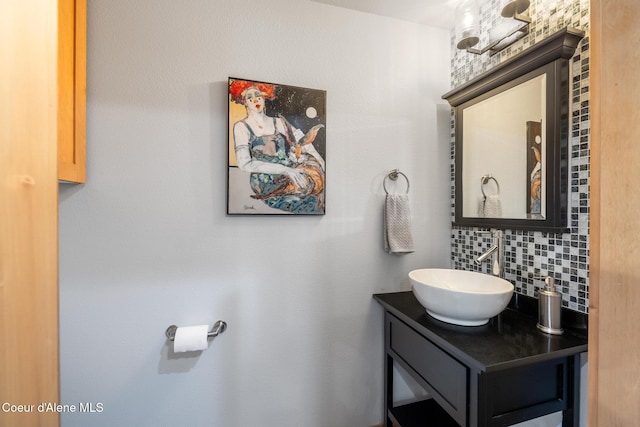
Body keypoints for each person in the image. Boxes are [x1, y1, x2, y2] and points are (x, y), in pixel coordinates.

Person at [229, 79, 325, 213]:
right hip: (266, 181)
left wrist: (322, 164)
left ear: (264, 97)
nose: (255, 100)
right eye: (249, 97)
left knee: (320, 196)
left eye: (258, 95)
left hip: (291, 173)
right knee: (309, 205)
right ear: (243, 101)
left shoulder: (279, 122)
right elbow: (244, 164)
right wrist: (285, 170)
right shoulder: (241, 127)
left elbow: (303, 142)